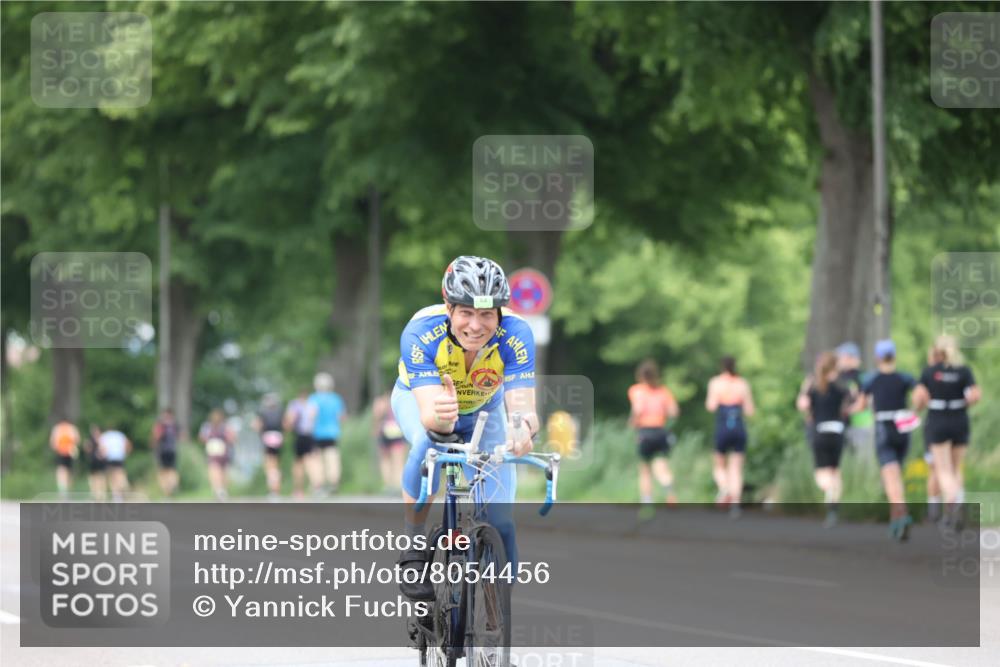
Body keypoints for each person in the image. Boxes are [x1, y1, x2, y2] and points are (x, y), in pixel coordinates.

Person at [392, 255, 537, 600]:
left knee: (500, 523)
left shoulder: (516, 334)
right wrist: (443, 415)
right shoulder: (420, 332)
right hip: (421, 401)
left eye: (486, 314)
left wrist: (522, 429)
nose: (476, 325)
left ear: (499, 313)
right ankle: (413, 547)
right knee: (426, 447)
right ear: (448, 308)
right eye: (466, 313)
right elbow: (432, 419)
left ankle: (493, 630)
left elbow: (522, 407)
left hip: (485, 410)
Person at [912, 335, 980, 529]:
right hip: (959, 418)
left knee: (942, 468)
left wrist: (917, 408)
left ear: (936, 351)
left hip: (938, 419)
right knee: (956, 468)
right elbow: (975, 395)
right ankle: (956, 505)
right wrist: (964, 401)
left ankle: (954, 502)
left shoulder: (929, 372)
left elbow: (919, 399)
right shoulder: (964, 371)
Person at [855, 340, 918, 540]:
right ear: (894, 356)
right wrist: (914, 411)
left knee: (890, 477)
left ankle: (902, 515)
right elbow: (921, 395)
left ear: (877, 358)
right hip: (902, 427)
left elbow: (861, 405)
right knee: (896, 475)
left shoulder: (871, 380)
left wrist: (849, 409)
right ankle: (895, 520)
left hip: (884, 428)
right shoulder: (905, 378)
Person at [797, 352, 850, 527]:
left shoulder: (814, 385)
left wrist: (804, 390)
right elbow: (851, 405)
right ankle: (833, 506)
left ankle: (829, 494)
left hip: (820, 430)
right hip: (838, 431)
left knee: (821, 473)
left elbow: (803, 405)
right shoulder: (843, 385)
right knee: (835, 471)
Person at [628, 359, 680, 519]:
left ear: (640, 375)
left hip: (645, 432)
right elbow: (674, 412)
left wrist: (632, 424)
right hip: (661, 431)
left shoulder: (636, 390)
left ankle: (647, 503)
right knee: (662, 465)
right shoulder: (663, 392)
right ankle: (669, 489)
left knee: (645, 470)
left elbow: (638, 410)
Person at [706, 356, 755, 518]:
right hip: (739, 428)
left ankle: (724, 487)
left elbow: (711, 406)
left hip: (722, 428)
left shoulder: (716, 383)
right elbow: (750, 410)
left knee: (719, 465)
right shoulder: (742, 384)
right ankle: (735, 505)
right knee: (737, 469)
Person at [308, 373, 347, 494]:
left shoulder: (314, 398)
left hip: (317, 433)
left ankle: (318, 486)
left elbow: (311, 415)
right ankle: (333, 483)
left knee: (316, 460)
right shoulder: (335, 399)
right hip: (332, 433)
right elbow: (341, 417)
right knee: (332, 458)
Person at [836, 341, 874, 457]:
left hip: (861, 424)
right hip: (844, 425)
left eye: (840, 357)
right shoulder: (839, 377)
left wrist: (847, 411)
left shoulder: (863, 377)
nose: (838, 360)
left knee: (862, 461)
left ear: (849, 357)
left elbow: (867, 400)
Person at [284, 388, 321, 499]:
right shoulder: (312, 405)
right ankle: (316, 486)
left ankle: (298, 490)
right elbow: (314, 419)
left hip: (299, 436)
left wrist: (287, 432)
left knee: (299, 464)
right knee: (312, 461)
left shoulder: (294, 405)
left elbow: (289, 421)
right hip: (310, 435)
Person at [254, 393, 286, 500]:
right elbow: (286, 425)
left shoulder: (262, 413)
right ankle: (277, 489)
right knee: (276, 465)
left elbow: (257, 425)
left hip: (267, 437)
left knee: (269, 466)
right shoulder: (280, 412)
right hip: (278, 438)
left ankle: (273, 490)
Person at [372, 392, 406, 494]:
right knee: (398, 461)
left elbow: (377, 415)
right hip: (398, 432)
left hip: (384, 432)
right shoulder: (401, 400)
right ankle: (398, 485)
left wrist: (375, 428)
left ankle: (388, 485)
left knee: (385, 460)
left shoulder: (381, 401)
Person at [199, 409, 235, 501]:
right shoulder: (225, 426)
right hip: (223, 452)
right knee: (223, 472)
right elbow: (232, 438)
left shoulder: (207, 426)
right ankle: (222, 490)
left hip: (214, 452)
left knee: (214, 471)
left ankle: (218, 489)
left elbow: (202, 438)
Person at [98, 426, 132, 502]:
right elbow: (128, 444)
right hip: (119, 458)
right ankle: (122, 488)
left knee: (112, 477)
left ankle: (116, 495)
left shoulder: (105, 436)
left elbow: (102, 448)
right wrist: (126, 453)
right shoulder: (120, 435)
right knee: (120, 474)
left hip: (110, 458)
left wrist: (101, 456)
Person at [151, 408, 180, 498]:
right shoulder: (175, 425)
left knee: (162, 472)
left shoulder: (161, 425)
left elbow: (156, 436)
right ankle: (171, 488)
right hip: (173, 450)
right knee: (172, 470)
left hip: (162, 451)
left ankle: (167, 491)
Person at [49, 418, 80, 499]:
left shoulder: (57, 428)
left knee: (62, 472)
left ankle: (63, 491)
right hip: (70, 452)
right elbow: (77, 440)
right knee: (68, 472)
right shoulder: (72, 428)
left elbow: (53, 443)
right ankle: (67, 491)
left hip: (61, 452)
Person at [83, 425, 107, 501]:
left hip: (100, 462)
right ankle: (95, 494)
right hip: (93, 461)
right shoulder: (90, 440)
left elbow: (104, 450)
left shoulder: (102, 439)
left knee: (101, 478)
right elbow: (87, 450)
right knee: (93, 478)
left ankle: (101, 494)